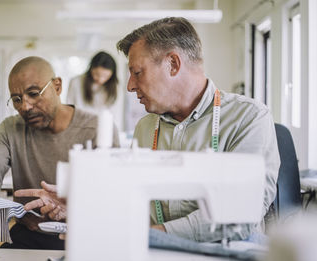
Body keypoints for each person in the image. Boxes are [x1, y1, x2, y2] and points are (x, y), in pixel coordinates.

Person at [115, 17, 280, 242]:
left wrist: (157, 235)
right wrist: (82, 204)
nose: (130, 86)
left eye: (137, 72)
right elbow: (133, 197)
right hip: (158, 252)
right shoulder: (146, 127)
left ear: (173, 64)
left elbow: (238, 215)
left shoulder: (248, 118)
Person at [0, 56, 120, 250]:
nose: (25, 107)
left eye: (34, 93)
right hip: (30, 233)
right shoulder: (11, 129)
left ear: (57, 87)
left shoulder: (98, 128)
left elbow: (112, 192)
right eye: (16, 99)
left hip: (84, 235)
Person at [67, 51, 121, 124]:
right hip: (79, 125)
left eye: (105, 76)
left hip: (103, 126)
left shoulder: (116, 86)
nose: (100, 79)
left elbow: (115, 113)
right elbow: (69, 107)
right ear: (91, 69)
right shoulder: (76, 82)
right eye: (97, 74)